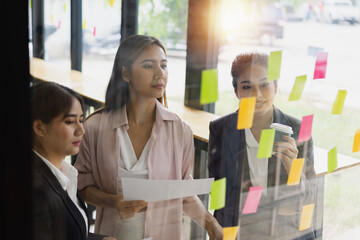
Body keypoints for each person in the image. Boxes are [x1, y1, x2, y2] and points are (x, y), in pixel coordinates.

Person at [74, 35, 223, 240]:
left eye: (163, 65)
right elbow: (81, 187)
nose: (159, 73)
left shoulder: (180, 130)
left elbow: (184, 193)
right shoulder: (94, 127)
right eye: (148, 66)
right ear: (125, 74)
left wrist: (212, 225)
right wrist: (114, 202)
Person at [208, 52, 317, 239]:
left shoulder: (298, 130)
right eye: (247, 86)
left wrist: (292, 169)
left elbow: (310, 198)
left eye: (264, 84)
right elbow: (219, 195)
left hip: (286, 231)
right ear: (236, 92)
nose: (257, 95)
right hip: (240, 229)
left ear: (276, 86)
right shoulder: (221, 129)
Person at [32, 81, 115, 240]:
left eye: (81, 120)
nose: (81, 130)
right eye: (70, 122)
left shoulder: (62, 171)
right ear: (40, 128)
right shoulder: (36, 191)